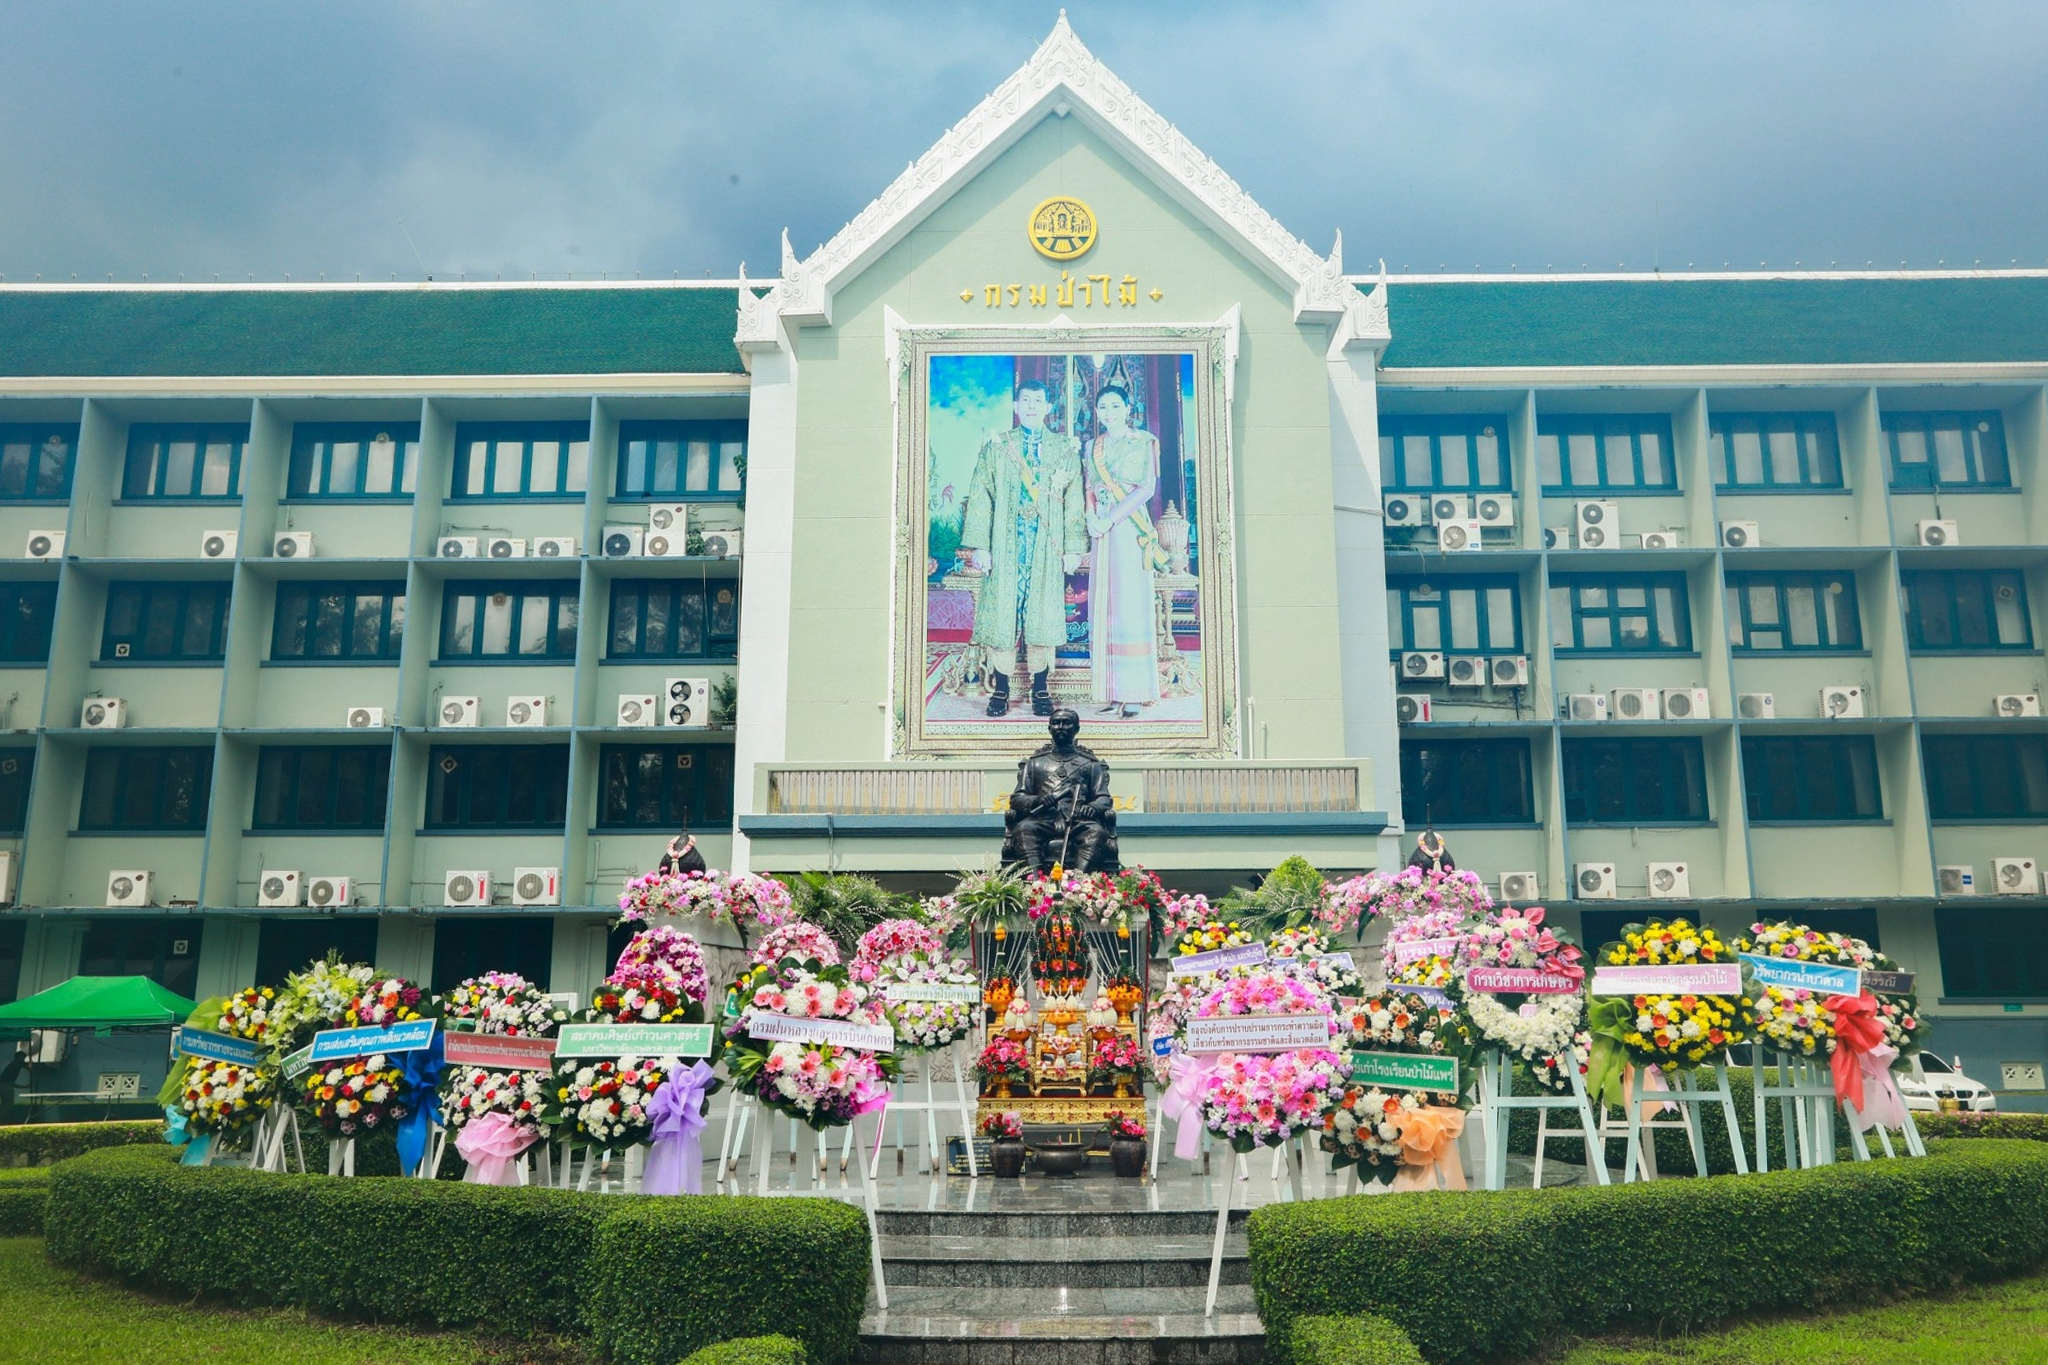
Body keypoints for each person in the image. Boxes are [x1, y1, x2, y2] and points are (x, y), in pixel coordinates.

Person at [959, 378, 1087, 717]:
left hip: (1046, 548)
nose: (1031, 406)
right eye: (1025, 400)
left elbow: (1074, 502)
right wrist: (980, 546)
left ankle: (1040, 688)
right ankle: (1000, 690)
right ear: (1016, 407)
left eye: (1038, 400)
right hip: (1004, 546)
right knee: (1002, 614)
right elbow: (981, 495)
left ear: (1048, 407)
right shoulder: (998, 446)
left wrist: (1073, 547)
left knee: (1042, 615)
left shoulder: (1064, 449)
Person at [1083, 384, 1164, 717]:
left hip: (1130, 528)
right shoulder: (1092, 446)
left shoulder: (1143, 442)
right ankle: (1112, 690)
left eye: (1115, 406)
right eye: (1103, 407)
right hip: (1101, 530)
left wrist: (1111, 518)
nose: (1109, 413)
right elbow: (1089, 486)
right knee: (1105, 607)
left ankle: (1135, 691)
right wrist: (1092, 517)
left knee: (1130, 603)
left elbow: (1146, 489)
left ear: (1128, 408)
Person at [1001, 708, 1119, 874]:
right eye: (1056, 723)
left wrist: (1092, 807)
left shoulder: (1090, 764)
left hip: (1078, 819)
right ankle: (1036, 885)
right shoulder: (1035, 764)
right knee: (1023, 829)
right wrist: (1037, 800)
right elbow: (1017, 798)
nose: (1061, 726)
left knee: (1096, 832)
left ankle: (1080, 884)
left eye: (1066, 723)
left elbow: (1104, 798)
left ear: (1076, 728)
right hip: (1042, 819)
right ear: (1050, 728)